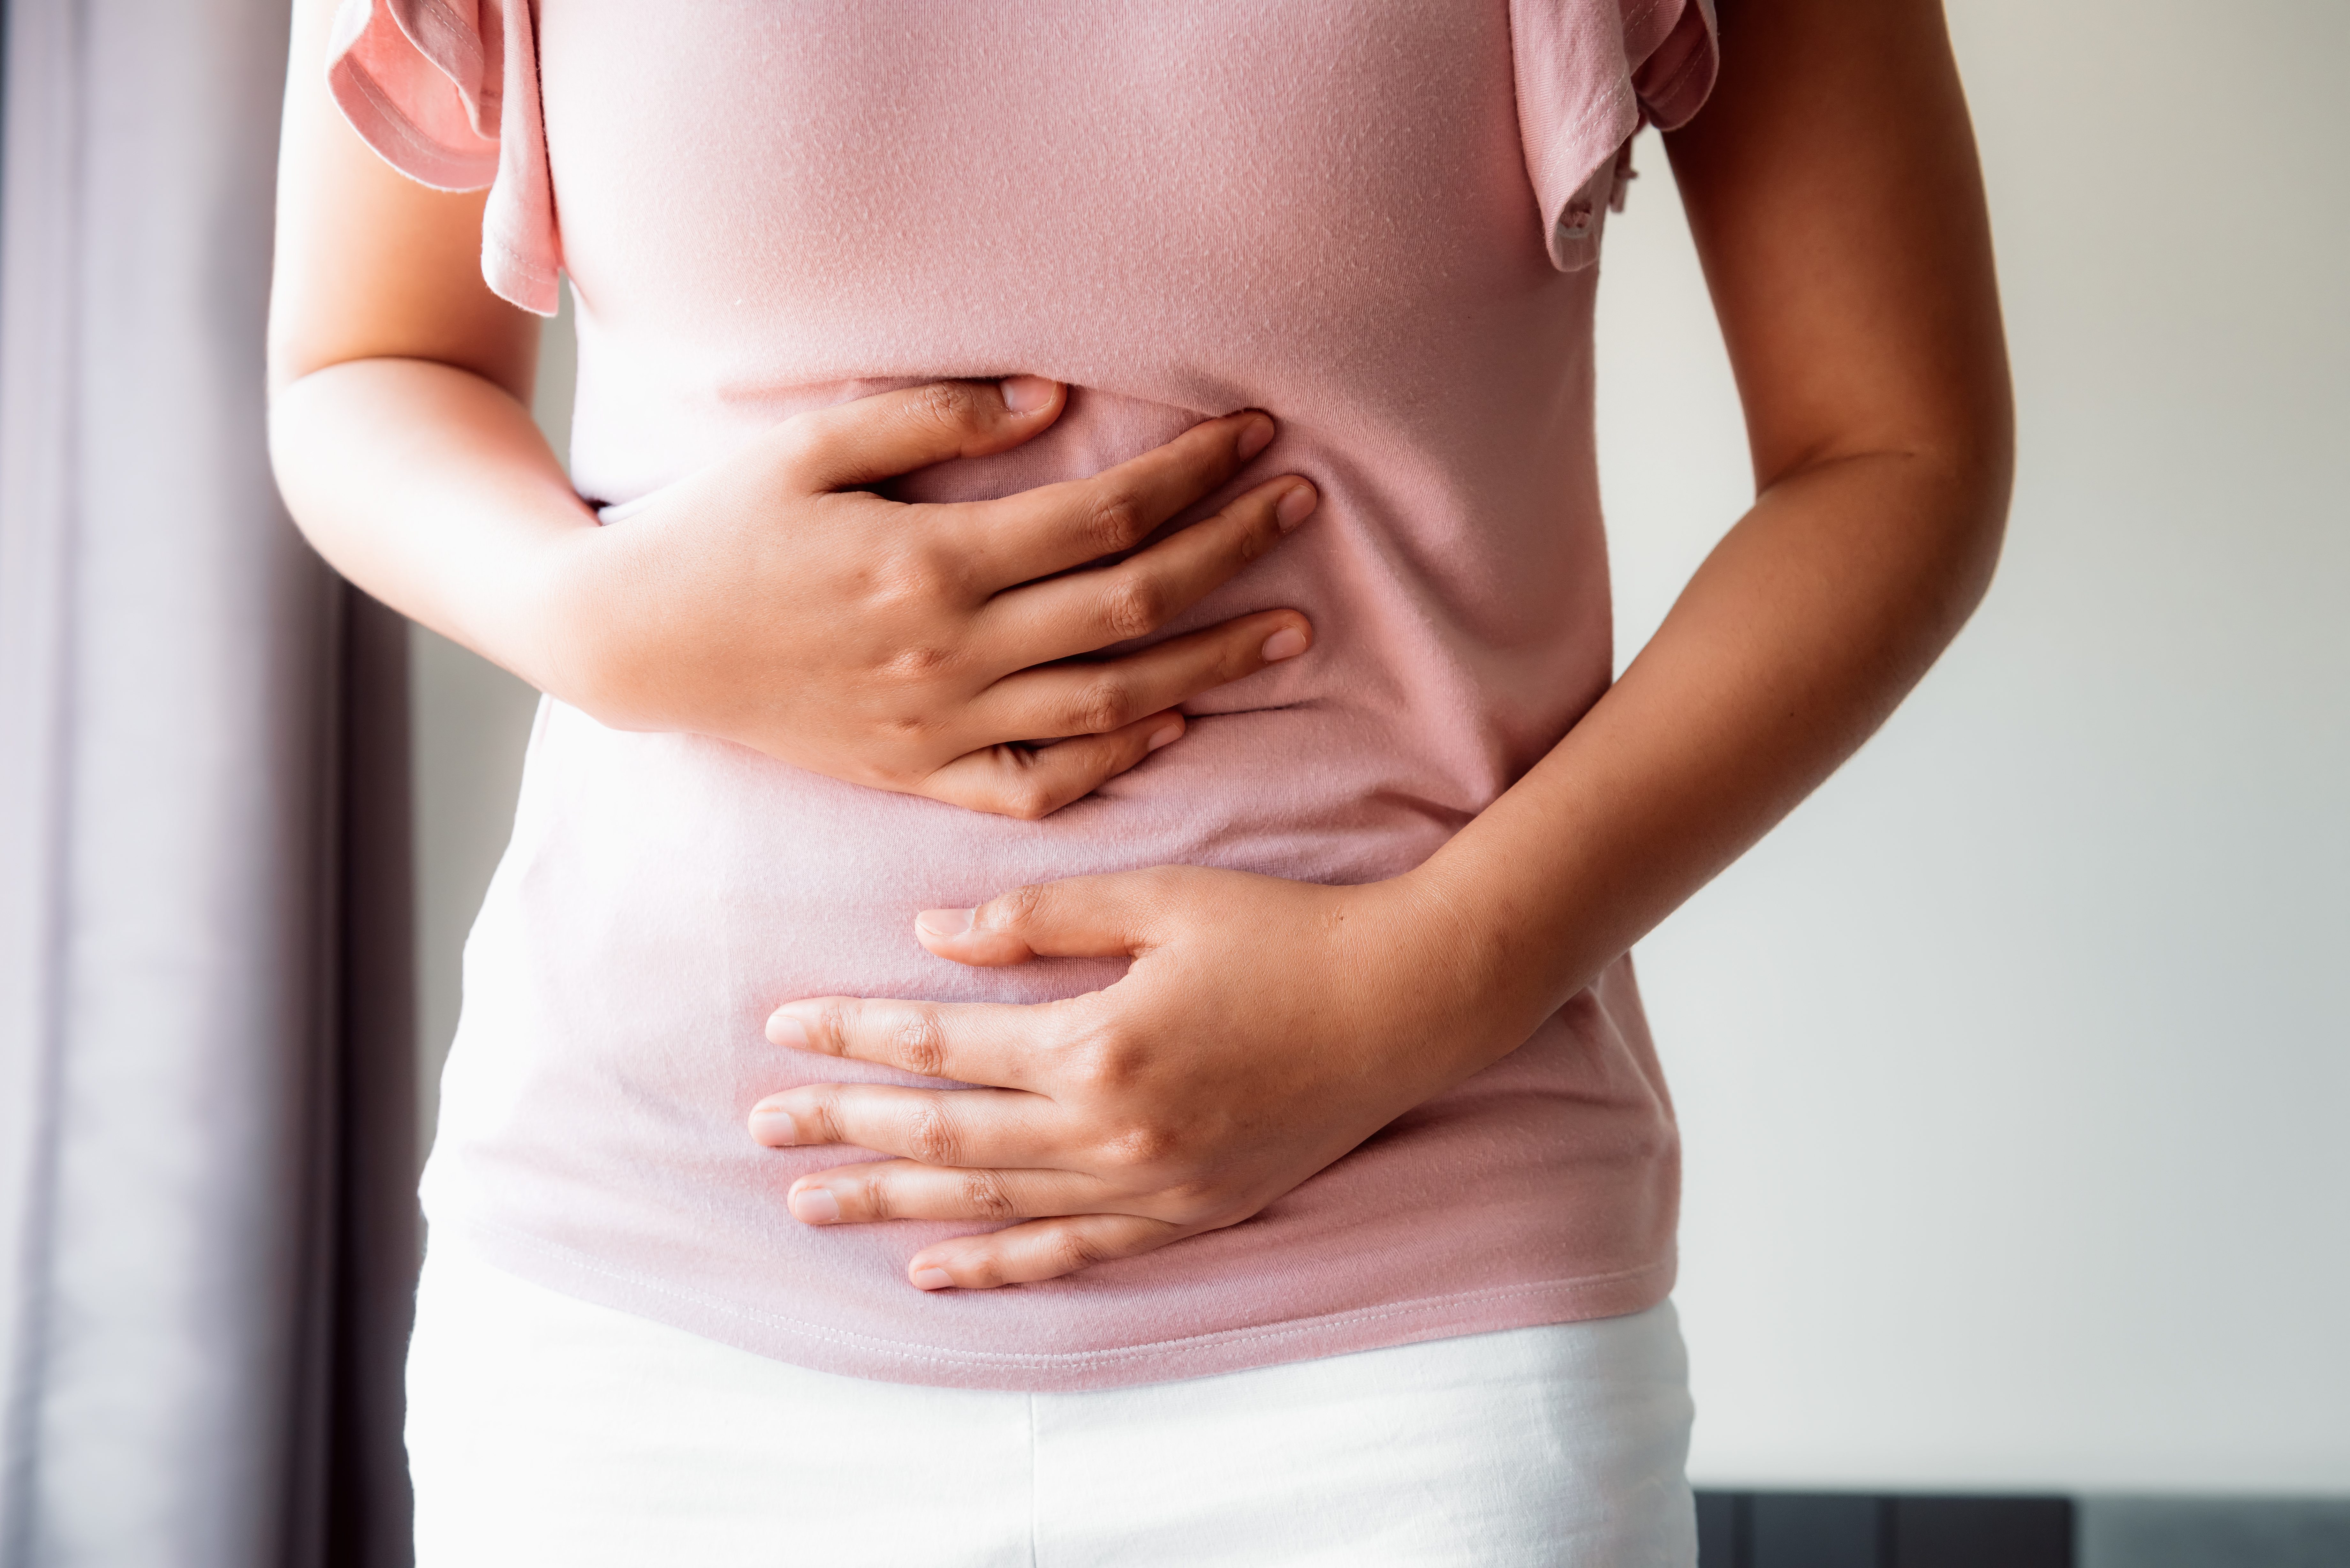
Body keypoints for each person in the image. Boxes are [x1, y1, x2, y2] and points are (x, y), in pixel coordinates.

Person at [267, 0, 2010, 1561]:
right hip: (652, 1337)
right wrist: (604, 620)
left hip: (1405, 1346)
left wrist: (1425, 981)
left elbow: (1894, 453)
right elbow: (362, 364)